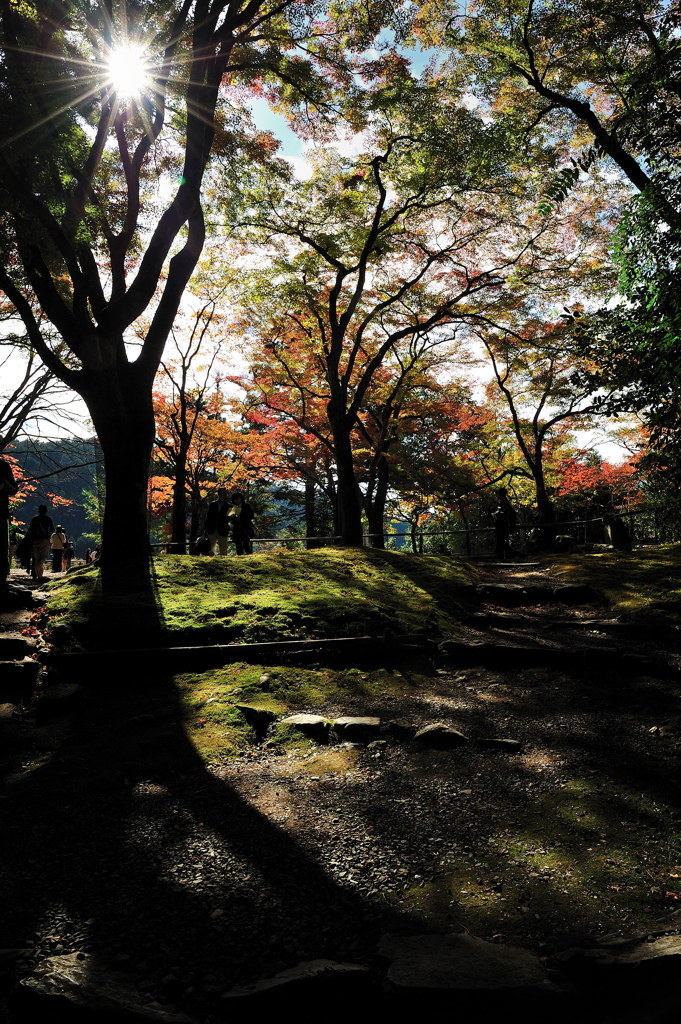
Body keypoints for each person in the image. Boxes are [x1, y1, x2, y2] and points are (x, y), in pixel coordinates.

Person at [0, 457, 18, 586]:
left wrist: (4, 486)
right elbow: (14, 489)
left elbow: (13, 489)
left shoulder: (3, 466)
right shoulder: (3, 466)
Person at [27, 504, 54, 582]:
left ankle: (38, 574)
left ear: (38, 510)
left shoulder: (34, 519)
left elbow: (30, 530)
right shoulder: (48, 519)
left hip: (35, 540)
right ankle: (39, 574)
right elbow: (52, 529)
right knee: (43, 557)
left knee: (36, 557)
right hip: (44, 540)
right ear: (46, 511)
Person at [205, 487, 231, 555]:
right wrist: (206, 528)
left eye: (225, 494)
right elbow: (208, 516)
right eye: (223, 493)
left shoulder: (229, 506)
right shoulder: (212, 504)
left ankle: (224, 564)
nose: (224, 495)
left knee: (223, 549)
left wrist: (232, 517)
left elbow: (229, 519)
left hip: (222, 528)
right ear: (219, 494)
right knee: (210, 549)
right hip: (212, 528)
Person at [492, 487, 517, 560]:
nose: (497, 495)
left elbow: (504, 514)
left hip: (502, 525)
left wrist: (495, 514)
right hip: (503, 525)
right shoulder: (504, 502)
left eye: (498, 494)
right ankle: (507, 555)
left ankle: (510, 554)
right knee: (500, 542)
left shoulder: (504, 503)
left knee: (500, 542)